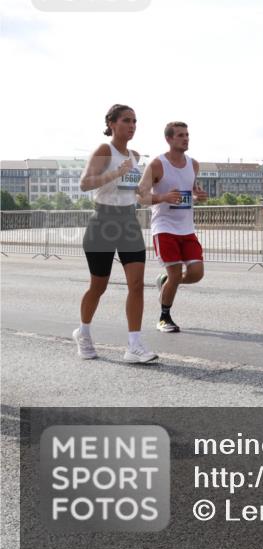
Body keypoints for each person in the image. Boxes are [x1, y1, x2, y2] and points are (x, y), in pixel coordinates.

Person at [73, 104, 158, 363]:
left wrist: (161, 194)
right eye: (126, 120)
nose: (132, 126)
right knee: (98, 286)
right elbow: (85, 183)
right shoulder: (104, 150)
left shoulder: (135, 155)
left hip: (128, 222)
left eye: (135, 121)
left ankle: (134, 345)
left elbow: (137, 194)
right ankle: (83, 332)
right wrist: (115, 172)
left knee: (137, 284)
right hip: (103, 222)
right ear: (111, 123)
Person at [139, 121, 208, 333]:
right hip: (164, 227)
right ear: (169, 139)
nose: (185, 138)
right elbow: (141, 195)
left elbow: (193, 190)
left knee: (196, 273)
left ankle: (166, 282)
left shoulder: (193, 164)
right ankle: (164, 317)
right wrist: (162, 197)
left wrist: (199, 196)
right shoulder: (157, 165)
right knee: (176, 274)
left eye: (187, 135)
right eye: (180, 135)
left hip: (187, 228)